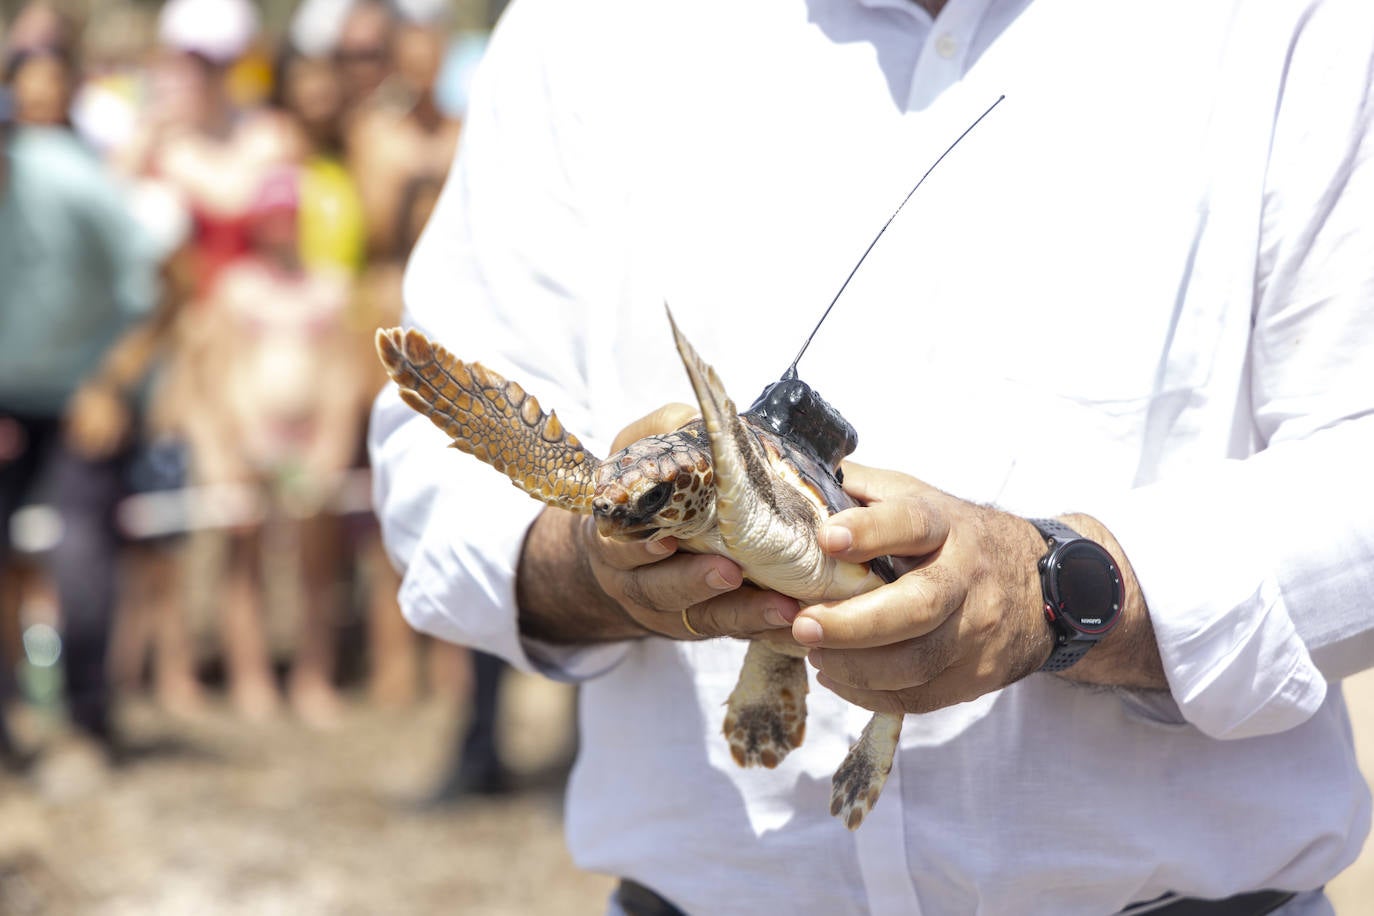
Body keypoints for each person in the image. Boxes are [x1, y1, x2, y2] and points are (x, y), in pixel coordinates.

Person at [370, 0, 1374, 913]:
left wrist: (1058, 592)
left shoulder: (1287, 26)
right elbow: (431, 481)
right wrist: (594, 567)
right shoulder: (587, 27)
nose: (632, 509)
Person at [0, 40, 157, 764]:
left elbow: (171, 279)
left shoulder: (73, 181)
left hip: (82, 391)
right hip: (9, 393)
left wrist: (111, 385)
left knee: (82, 547)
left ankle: (89, 718)